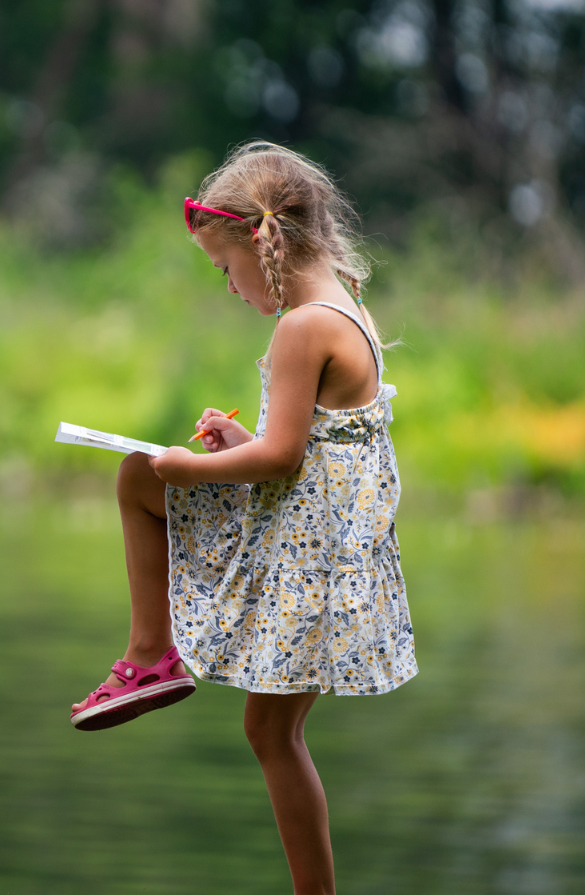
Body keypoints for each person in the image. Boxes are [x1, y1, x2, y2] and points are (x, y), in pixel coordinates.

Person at [69, 142, 416, 894]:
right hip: (328, 540)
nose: (229, 287)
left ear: (265, 244)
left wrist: (195, 467)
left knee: (140, 479)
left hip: (309, 546)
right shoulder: (345, 306)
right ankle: (153, 656)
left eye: (225, 269)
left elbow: (286, 459)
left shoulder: (302, 326)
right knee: (271, 730)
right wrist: (240, 443)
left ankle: (151, 655)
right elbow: (304, 445)